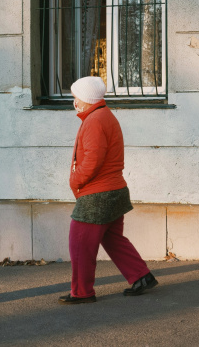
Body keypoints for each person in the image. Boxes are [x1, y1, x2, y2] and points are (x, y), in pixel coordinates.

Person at [58, 76, 158, 304]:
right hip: (114, 190)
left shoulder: (94, 120)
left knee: (80, 242)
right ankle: (141, 276)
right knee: (113, 238)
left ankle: (82, 293)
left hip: (97, 195)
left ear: (84, 99)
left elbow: (92, 160)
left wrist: (75, 181)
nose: (74, 102)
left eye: (75, 98)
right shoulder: (104, 116)